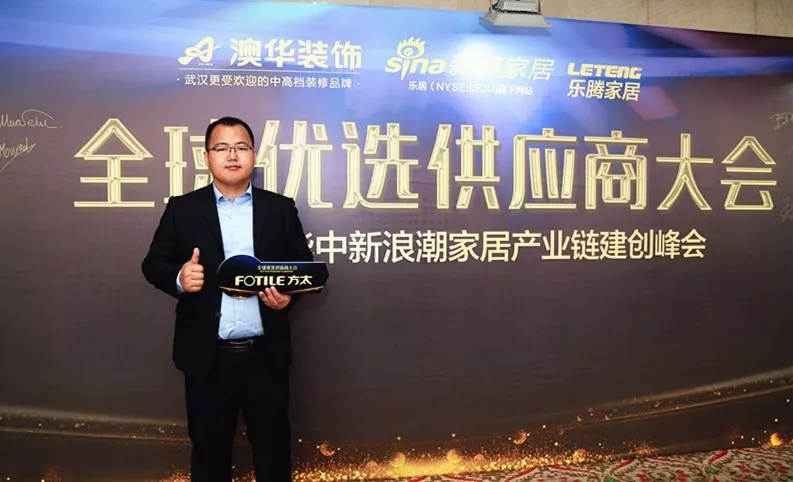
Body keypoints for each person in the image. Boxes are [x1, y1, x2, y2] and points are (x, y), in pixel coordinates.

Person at [142, 116, 324, 481]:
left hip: (266, 357)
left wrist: (287, 298)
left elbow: (303, 268)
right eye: (222, 147)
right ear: (206, 156)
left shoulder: (280, 209)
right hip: (207, 358)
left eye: (241, 147)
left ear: (254, 155)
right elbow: (153, 264)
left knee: (273, 455)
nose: (232, 155)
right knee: (209, 457)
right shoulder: (182, 209)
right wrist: (179, 277)